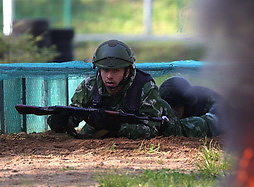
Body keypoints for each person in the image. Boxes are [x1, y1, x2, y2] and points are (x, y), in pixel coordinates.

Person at [47, 39, 220, 139]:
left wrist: (116, 127)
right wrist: (60, 122)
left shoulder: (144, 86)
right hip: (110, 128)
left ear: (127, 70)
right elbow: (76, 115)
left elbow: (152, 130)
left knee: (186, 130)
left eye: (116, 71)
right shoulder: (88, 86)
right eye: (105, 70)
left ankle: (216, 116)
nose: (109, 76)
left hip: (162, 122)